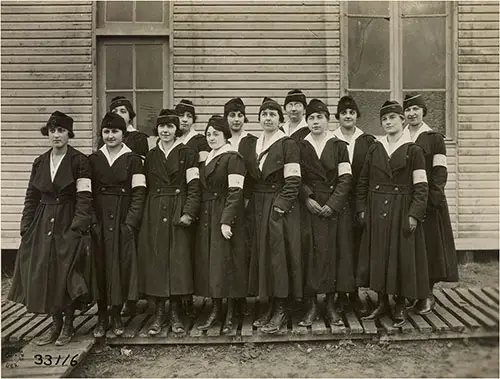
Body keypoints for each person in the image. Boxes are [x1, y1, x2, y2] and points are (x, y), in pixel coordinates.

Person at [8, 111, 93, 346]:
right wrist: (26, 225)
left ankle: (68, 324)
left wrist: (77, 227)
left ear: (69, 134)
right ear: (48, 134)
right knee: (46, 272)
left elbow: (85, 197)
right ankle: (54, 324)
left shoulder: (79, 161)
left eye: (61, 131)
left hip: (67, 220)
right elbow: (31, 197)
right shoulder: (40, 162)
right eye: (53, 131)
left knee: (65, 272)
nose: (56, 135)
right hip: (43, 221)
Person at [356, 100, 430, 328]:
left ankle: (399, 303)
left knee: (400, 256)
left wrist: (414, 214)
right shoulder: (375, 148)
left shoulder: (414, 150)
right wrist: (361, 209)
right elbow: (363, 182)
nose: (388, 123)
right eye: (384, 119)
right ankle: (381, 302)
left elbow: (421, 186)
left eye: (392, 118)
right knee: (378, 256)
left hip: (401, 209)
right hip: (376, 208)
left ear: (403, 120)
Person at [239, 97, 302, 334]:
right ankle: (268, 305)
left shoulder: (287, 144)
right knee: (263, 256)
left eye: (273, 114)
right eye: (264, 114)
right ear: (259, 119)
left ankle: (281, 307)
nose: (268, 118)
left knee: (279, 257)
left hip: (278, 207)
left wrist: (280, 207)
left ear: (280, 119)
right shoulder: (253, 144)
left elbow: (294, 180)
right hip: (257, 205)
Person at [137, 109, 200, 336]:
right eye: (162, 127)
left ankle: (175, 313)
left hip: (178, 207)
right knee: (157, 260)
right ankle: (158, 313)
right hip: (154, 210)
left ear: (176, 130)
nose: (165, 131)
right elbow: (143, 188)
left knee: (177, 260)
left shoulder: (188, 153)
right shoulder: (150, 156)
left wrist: (189, 212)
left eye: (170, 127)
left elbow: (194, 186)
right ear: (157, 130)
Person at [297, 99, 354, 327]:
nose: (315, 122)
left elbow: (346, 178)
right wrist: (306, 197)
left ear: (327, 119)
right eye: (311, 118)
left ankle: (330, 305)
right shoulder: (300, 145)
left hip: (333, 209)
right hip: (309, 208)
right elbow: (294, 176)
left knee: (333, 255)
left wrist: (333, 204)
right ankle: (310, 305)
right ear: (307, 121)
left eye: (319, 117)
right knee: (309, 255)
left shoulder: (339, 145)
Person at [89, 112, 146, 337]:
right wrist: (92, 221)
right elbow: (86, 192)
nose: (110, 136)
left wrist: (131, 222)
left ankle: (116, 314)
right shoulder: (92, 160)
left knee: (120, 266)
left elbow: (140, 192)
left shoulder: (133, 160)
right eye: (106, 132)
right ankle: (102, 315)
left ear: (124, 133)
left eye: (115, 131)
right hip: (100, 220)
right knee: (100, 266)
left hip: (123, 219)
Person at [403, 93, 458, 314]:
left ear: (423, 111)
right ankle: (413, 293)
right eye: (408, 110)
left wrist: (432, 200)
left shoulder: (434, 138)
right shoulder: (401, 136)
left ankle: (427, 295)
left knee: (430, 249)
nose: (412, 113)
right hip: (407, 202)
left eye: (416, 109)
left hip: (429, 203)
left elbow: (439, 171)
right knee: (410, 248)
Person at [194, 115, 248, 333]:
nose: (211, 138)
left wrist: (226, 221)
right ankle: (216, 309)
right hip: (208, 215)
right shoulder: (207, 158)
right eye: (208, 134)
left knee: (228, 265)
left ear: (225, 135)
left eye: (216, 134)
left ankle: (230, 314)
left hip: (225, 214)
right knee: (213, 264)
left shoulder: (233, 158)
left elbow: (236, 192)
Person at [331, 96, 376, 315]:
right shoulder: (331, 140)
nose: (348, 116)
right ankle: (340, 294)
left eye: (352, 112)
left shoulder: (367, 141)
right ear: (338, 117)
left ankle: (355, 292)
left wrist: (364, 205)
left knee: (357, 246)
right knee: (340, 247)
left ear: (357, 115)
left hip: (359, 201)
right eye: (344, 113)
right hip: (337, 202)